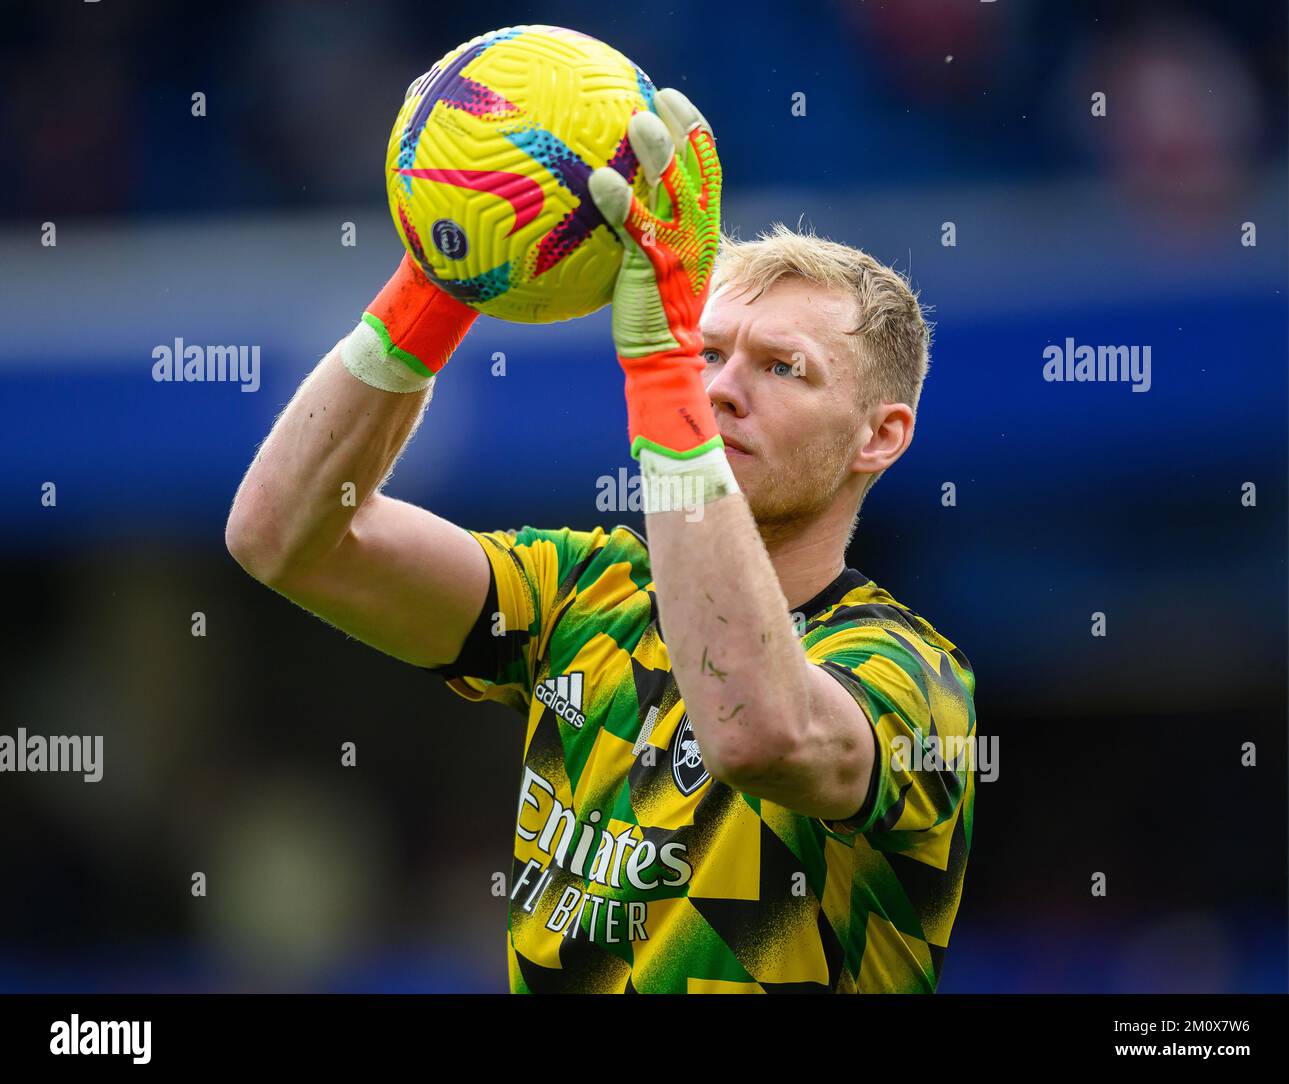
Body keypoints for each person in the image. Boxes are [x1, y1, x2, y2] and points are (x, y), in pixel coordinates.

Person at [225, 88, 976, 993]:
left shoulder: (913, 680)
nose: (723, 388)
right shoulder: (588, 593)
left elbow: (757, 730)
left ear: (880, 437)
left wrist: (661, 373)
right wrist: (446, 270)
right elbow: (285, 536)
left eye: (783, 368)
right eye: (706, 353)